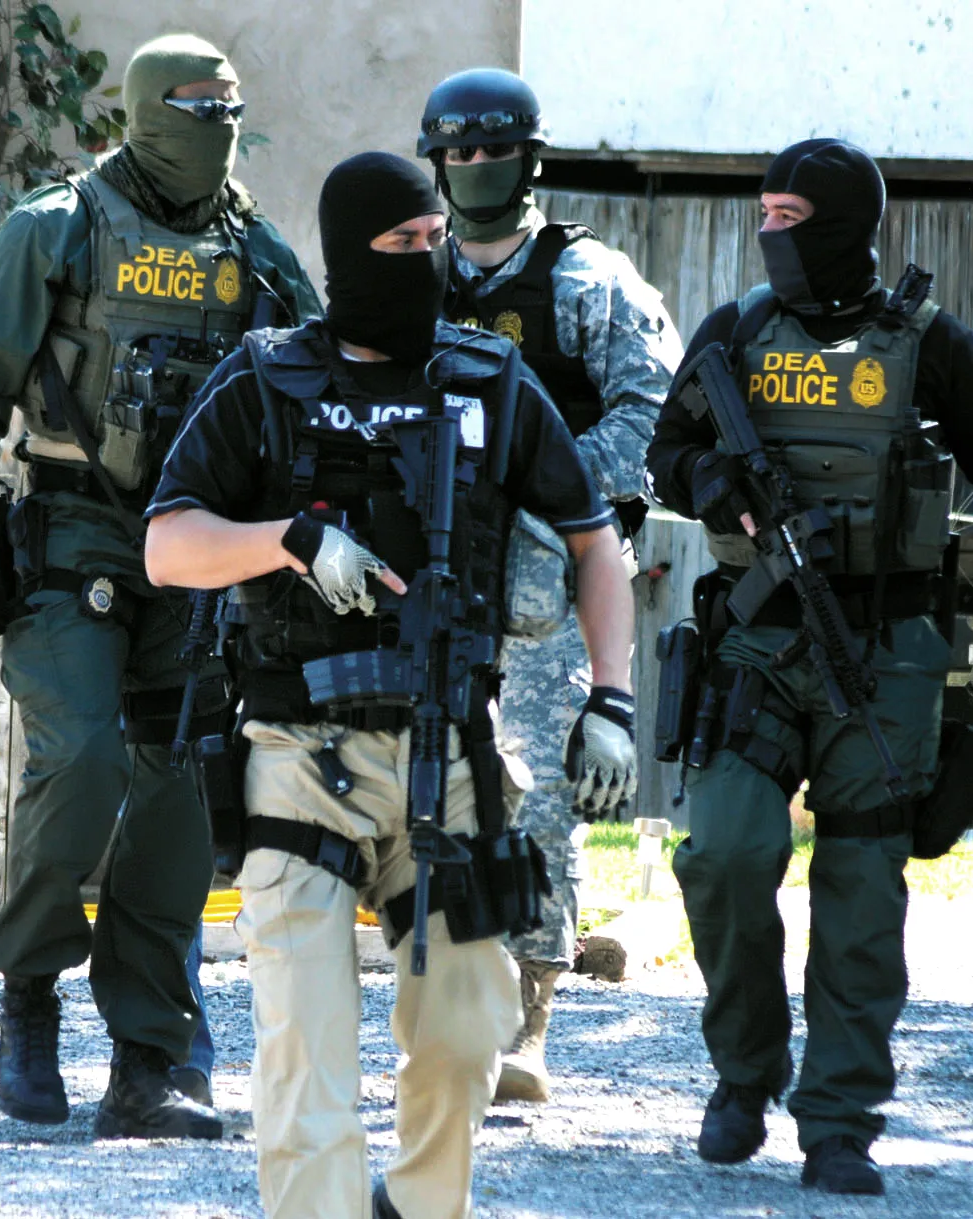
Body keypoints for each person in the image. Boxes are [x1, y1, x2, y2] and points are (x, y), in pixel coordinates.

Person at [144, 151, 637, 1219]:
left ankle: (415, 1206)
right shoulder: (265, 379)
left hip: (451, 753)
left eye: (434, 240)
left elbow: (595, 539)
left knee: (466, 1034)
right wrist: (289, 539)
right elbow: (168, 546)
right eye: (400, 243)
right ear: (348, 256)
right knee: (306, 1051)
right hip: (297, 756)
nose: (426, 258)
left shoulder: (489, 379)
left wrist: (611, 699)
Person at [644, 138, 973, 1195]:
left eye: (790, 217)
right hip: (756, 640)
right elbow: (663, 452)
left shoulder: (929, 345)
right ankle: (743, 1075)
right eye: (764, 214)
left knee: (860, 890)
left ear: (845, 225)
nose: (770, 234)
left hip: (886, 653)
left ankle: (838, 1120)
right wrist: (707, 477)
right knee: (724, 851)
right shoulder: (735, 333)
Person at [0, 32, 319, 1138]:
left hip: (196, 554)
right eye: (197, 106)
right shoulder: (58, 228)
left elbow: (310, 394)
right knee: (85, 758)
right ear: (145, 110)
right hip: (73, 536)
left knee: (180, 789)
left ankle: (149, 1059)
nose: (218, 125)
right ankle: (30, 989)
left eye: (231, 107)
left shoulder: (257, 253)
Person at [417, 67, 681, 1102]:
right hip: (427, 573)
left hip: (543, 580)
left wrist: (547, 493)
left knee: (535, 798)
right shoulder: (412, 272)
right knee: (423, 791)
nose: (475, 166)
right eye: (459, 150)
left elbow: (652, 416)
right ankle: (443, 1008)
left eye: (495, 149)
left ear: (530, 160)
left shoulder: (590, 281)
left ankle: (528, 1018)